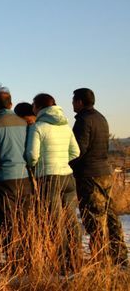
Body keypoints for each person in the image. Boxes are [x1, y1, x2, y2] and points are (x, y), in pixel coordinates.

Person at [69, 88, 127, 266]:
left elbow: (78, 150)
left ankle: (101, 259)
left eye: (73, 100)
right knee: (110, 216)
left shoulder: (83, 121)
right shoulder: (101, 118)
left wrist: (71, 165)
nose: (72, 103)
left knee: (94, 218)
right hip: (104, 172)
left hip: (89, 175)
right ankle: (120, 256)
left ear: (79, 101)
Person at [26, 93, 81, 273]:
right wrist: (62, 161)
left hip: (49, 178)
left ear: (38, 107)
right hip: (67, 176)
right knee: (71, 220)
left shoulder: (38, 127)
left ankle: (62, 264)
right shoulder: (65, 126)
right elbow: (76, 152)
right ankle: (76, 258)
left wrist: (35, 166)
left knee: (55, 222)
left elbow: (32, 155)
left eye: (34, 105)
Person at [0, 87, 33, 253]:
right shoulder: (24, 123)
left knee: (7, 221)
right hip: (24, 176)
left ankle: (13, 259)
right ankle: (28, 257)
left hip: (1, 178)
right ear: (11, 103)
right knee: (24, 220)